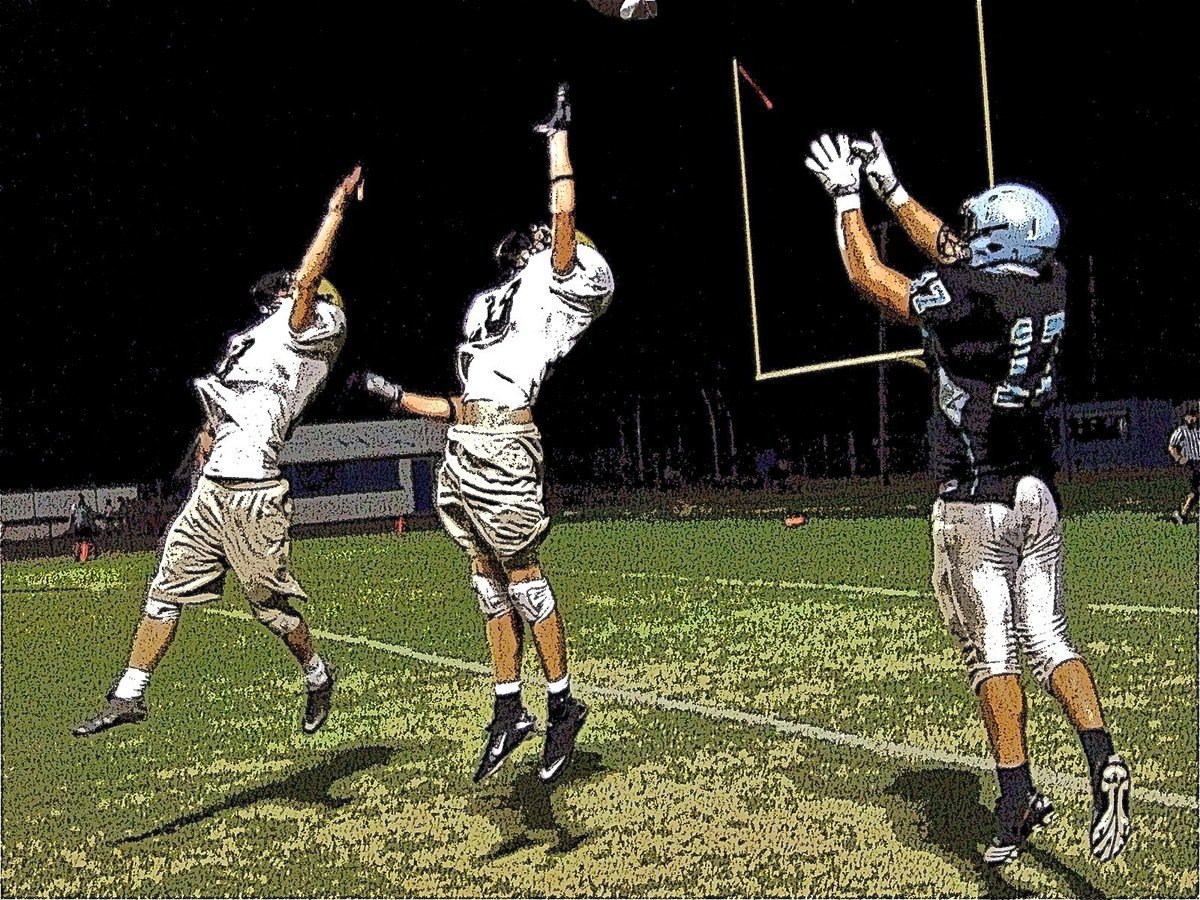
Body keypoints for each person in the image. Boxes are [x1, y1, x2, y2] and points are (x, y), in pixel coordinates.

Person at [804, 131, 1130, 865]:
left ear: (1000, 242)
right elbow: (956, 249)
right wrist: (893, 189)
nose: (964, 238)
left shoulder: (971, 295)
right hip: (1037, 492)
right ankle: (1099, 749)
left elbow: (873, 278)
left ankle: (1016, 797)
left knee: (992, 655)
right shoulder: (1047, 281)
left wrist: (847, 199)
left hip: (974, 499)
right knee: (1051, 640)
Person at [355, 85, 612, 785]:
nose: (532, 238)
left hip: (502, 448)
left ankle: (562, 705)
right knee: (483, 579)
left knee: (522, 576)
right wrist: (395, 398)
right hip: (467, 445)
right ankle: (509, 707)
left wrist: (558, 143)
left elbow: (564, 218)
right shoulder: (495, 299)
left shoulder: (558, 281)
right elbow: (463, 400)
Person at [72, 165, 362, 738]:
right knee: (163, 588)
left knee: (269, 608)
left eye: (288, 287)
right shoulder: (256, 338)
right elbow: (229, 392)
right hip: (212, 490)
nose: (282, 291)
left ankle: (317, 672)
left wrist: (336, 210)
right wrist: (208, 428)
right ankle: (130, 692)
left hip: (254, 490)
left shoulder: (311, 324)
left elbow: (307, 284)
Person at [1167, 403, 1200, 524]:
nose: (1192, 419)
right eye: (1189, 416)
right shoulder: (1181, 431)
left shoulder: (1198, 431)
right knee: (1194, 492)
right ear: (1185, 418)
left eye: (1194, 416)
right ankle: (1182, 515)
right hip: (1190, 464)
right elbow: (1172, 447)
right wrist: (1178, 457)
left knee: (1195, 493)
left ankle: (1182, 514)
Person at [67, 493, 97, 562]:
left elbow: (72, 517)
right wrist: (93, 527)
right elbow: (90, 518)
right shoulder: (86, 508)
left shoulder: (74, 506)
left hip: (77, 526)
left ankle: (77, 556)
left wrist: (71, 527)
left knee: (78, 541)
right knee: (84, 541)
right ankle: (83, 557)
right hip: (85, 526)